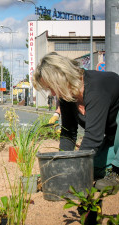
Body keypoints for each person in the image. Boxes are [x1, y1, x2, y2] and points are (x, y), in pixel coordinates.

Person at [33, 52, 119, 192]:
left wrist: (73, 172)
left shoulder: (96, 87)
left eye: (51, 87)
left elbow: (93, 137)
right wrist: (60, 168)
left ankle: (117, 173)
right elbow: (68, 133)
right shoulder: (67, 96)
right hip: (112, 140)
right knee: (94, 169)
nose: (52, 94)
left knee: (82, 169)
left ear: (61, 78)